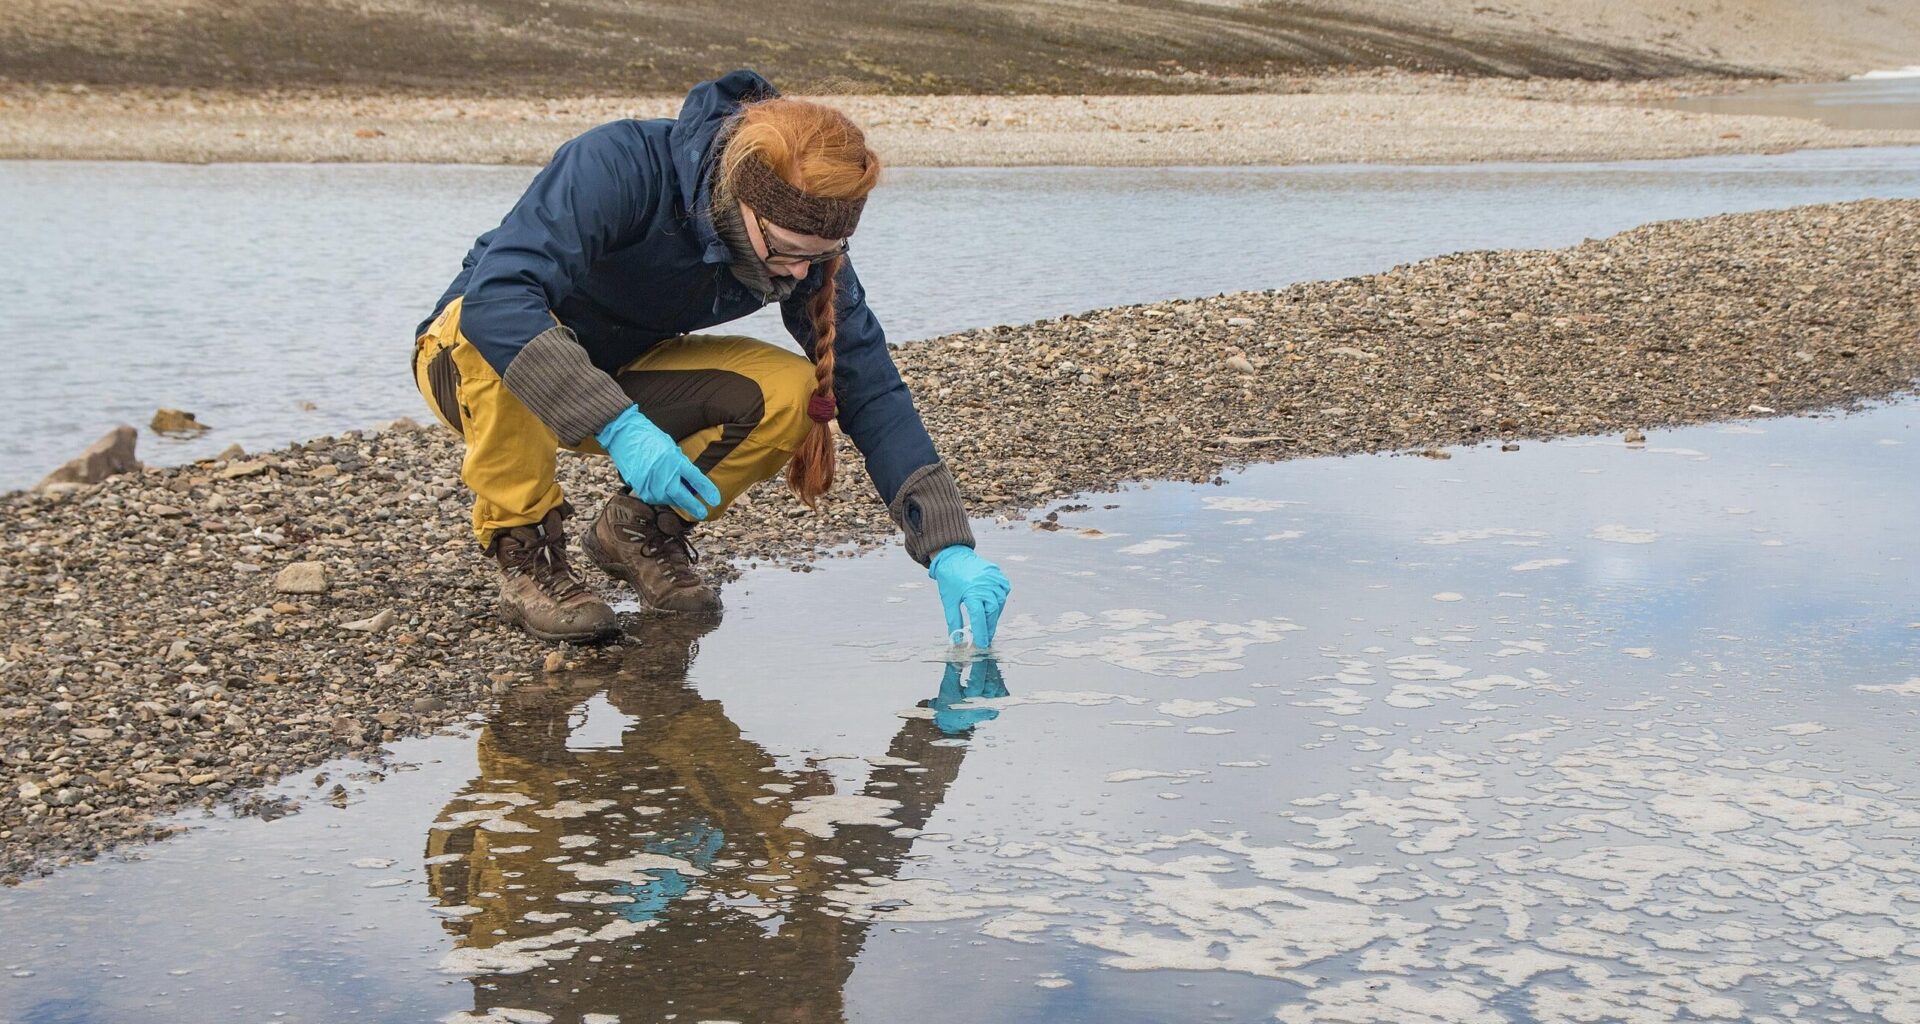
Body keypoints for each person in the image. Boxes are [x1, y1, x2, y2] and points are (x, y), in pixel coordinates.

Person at [412, 69, 1010, 646]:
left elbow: (870, 384)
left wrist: (946, 544)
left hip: (620, 368)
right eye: (788, 252)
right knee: (490, 326)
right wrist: (617, 426)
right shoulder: (617, 164)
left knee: (795, 390)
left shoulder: (801, 247)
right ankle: (525, 550)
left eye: (821, 256)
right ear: (742, 201)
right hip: (467, 364)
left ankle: (638, 529)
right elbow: (498, 300)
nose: (802, 273)